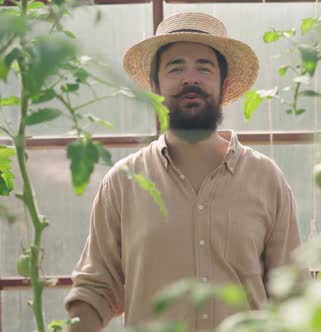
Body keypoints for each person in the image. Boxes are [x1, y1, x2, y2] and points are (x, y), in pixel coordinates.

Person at [64, 12, 304, 332]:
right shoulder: (124, 181)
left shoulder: (266, 177)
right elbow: (95, 289)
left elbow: (291, 293)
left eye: (203, 67)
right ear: (154, 85)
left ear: (224, 83)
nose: (190, 78)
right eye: (176, 67)